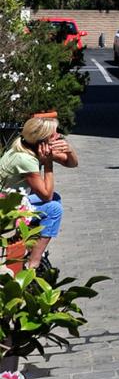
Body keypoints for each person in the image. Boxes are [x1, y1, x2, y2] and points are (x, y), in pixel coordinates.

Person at [0, 116, 79, 270]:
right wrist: (48, 164)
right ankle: (33, 264)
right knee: (54, 209)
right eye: (54, 134)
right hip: (6, 210)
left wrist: (69, 150)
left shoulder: (28, 145)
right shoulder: (25, 159)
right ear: (42, 140)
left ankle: (33, 244)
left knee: (55, 199)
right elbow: (46, 195)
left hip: (13, 199)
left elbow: (72, 163)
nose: (58, 136)